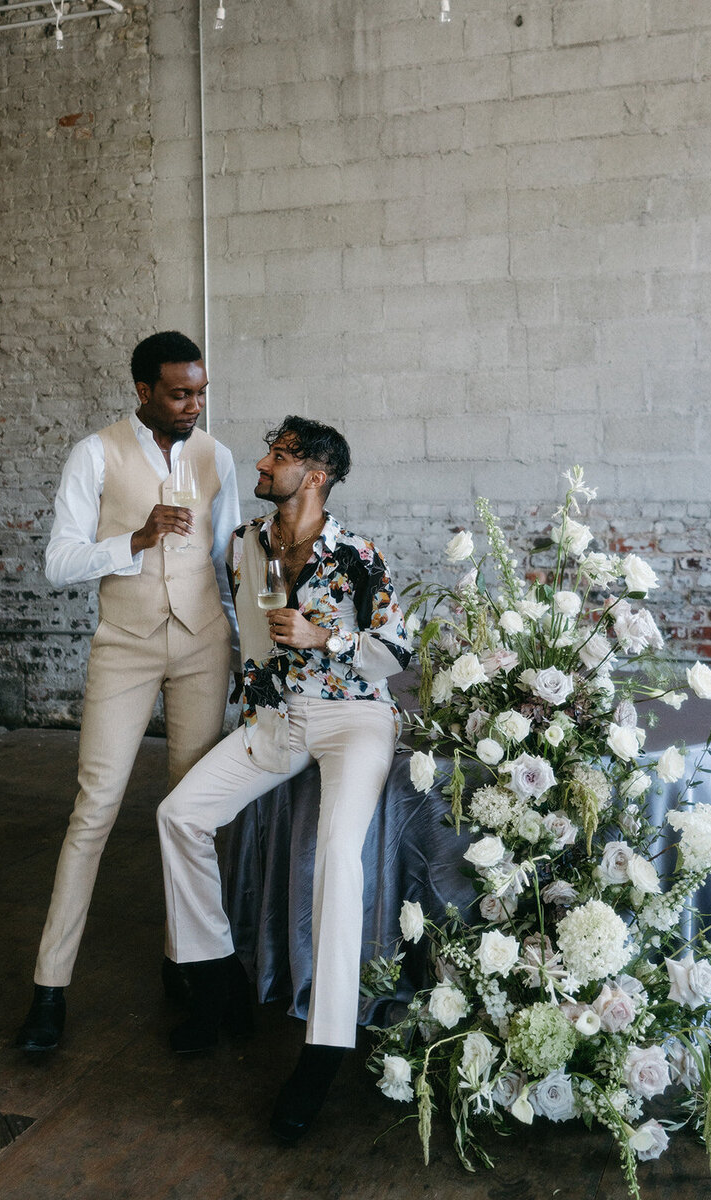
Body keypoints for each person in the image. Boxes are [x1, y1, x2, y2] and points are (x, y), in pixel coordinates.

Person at [156, 415, 411, 1143]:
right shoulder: (248, 545)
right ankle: (218, 987)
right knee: (179, 816)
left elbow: (396, 651)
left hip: (355, 718)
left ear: (318, 475)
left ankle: (325, 1049)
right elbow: (248, 624)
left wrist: (328, 635)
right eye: (270, 452)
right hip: (278, 721)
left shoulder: (358, 553)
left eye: (282, 455)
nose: (264, 464)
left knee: (337, 855)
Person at [16, 331, 240, 1052]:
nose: (193, 406)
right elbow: (57, 562)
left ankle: (187, 961)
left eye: (200, 392)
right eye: (180, 393)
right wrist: (134, 541)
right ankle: (50, 987)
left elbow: (231, 557)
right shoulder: (96, 452)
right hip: (126, 646)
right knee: (96, 806)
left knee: (190, 810)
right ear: (143, 390)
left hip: (204, 644)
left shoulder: (217, 457)